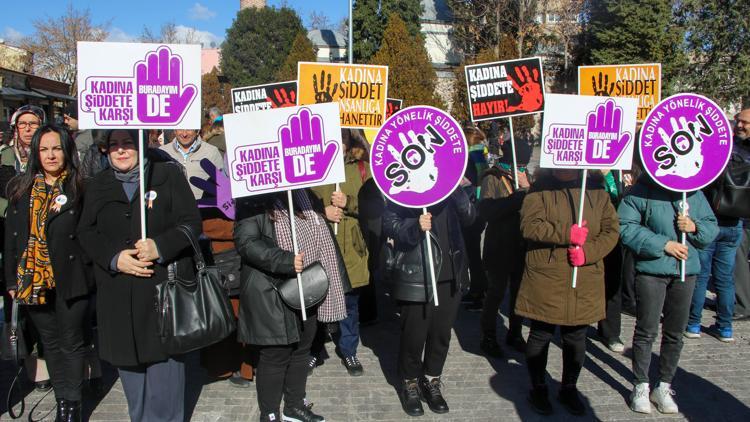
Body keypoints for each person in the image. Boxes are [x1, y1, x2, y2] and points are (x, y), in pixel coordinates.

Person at [77, 129, 201, 421]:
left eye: (128, 144)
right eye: (114, 145)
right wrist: (113, 258)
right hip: (118, 302)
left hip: (161, 300)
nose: (121, 151)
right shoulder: (98, 185)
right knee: (136, 396)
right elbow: (86, 232)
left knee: (165, 394)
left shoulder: (167, 175)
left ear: (141, 145)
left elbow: (191, 224)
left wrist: (160, 246)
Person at [234, 188, 348, 422]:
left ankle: (294, 406)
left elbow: (320, 233)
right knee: (275, 355)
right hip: (272, 289)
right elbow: (245, 242)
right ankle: (270, 414)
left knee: (301, 350)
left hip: (308, 285)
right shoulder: (252, 197)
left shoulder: (305, 194)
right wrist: (285, 260)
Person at [4, 124, 92, 422]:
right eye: (44, 149)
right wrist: (12, 281)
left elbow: (90, 235)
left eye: (56, 148)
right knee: (50, 343)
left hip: (71, 278)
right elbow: (12, 239)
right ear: (35, 153)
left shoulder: (81, 187)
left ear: (66, 151)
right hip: (33, 281)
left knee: (71, 341)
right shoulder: (21, 188)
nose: (51, 155)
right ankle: (62, 399)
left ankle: (73, 407)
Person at [516, 169, 619, 416]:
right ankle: (538, 387)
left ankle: (569, 387)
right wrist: (566, 233)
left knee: (575, 337)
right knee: (540, 334)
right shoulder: (539, 190)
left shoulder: (596, 190)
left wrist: (588, 253)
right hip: (547, 276)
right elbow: (529, 226)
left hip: (583, 276)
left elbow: (611, 231)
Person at [619, 164, 718, 414]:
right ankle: (640, 384)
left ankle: (663, 385)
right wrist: (664, 244)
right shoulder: (641, 191)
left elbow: (710, 227)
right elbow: (625, 226)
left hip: (685, 272)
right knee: (646, 330)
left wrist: (695, 228)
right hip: (652, 271)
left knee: (675, 332)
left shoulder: (692, 191)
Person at [383, 188, 475, 417]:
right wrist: (415, 227)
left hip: (450, 275)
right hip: (417, 275)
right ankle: (410, 383)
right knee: (414, 335)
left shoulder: (451, 188)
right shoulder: (402, 190)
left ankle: (432, 380)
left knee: (441, 335)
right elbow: (390, 224)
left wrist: (457, 192)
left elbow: (470, 217)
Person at [311, 129, 370, 376]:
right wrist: (322, 211)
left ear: (349, 142)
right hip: (320, 242)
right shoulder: (312, 165)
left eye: (343, 138)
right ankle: (314, 350)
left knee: (350, 302)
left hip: (351, 246)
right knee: (315, 299)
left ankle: (348, 350)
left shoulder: (361, 168)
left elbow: (375, 205)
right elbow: (300, 203)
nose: (339, 143)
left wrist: (350, 203)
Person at [478, 138, 531, 357]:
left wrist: (529, 188)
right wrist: (517, 199)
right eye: (518, 165)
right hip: (499, 244)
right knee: (496, 293)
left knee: (519, 294)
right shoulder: (493, 177)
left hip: (521, 245)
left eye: (523, 166)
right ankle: (488, 336)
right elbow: (487, 211)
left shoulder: (527, 176)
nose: (520, 170)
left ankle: (515, 333)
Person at [597, 169, 626, 352]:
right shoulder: (585, 170)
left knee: (613, 281)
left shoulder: (619, 172)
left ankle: (610, 331)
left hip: (615, 234)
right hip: (591, 232)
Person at [461, 126, 489, 311]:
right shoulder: (477, 150)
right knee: (470, 251)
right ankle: (476, 290)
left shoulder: (475, 151)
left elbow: (481, 177)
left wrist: (478, 201)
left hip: (474, 206)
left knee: (471, 252)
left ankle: (480, 293)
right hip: (473, 204)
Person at [159, 129, 224, 200]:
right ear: (175, 131)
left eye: (189, 129)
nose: (184, 134)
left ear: (197, 131)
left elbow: (221, 183)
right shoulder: (162, 151)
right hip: (171, 207)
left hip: (201, 208)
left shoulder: (211, 152)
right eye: (180, 129)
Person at [732, 108, 750, 321]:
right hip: (741, 215)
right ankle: (743, 304)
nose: (739, 125)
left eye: (744, 122)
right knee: (738, 257)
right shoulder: (734, 145)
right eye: (738, 121)